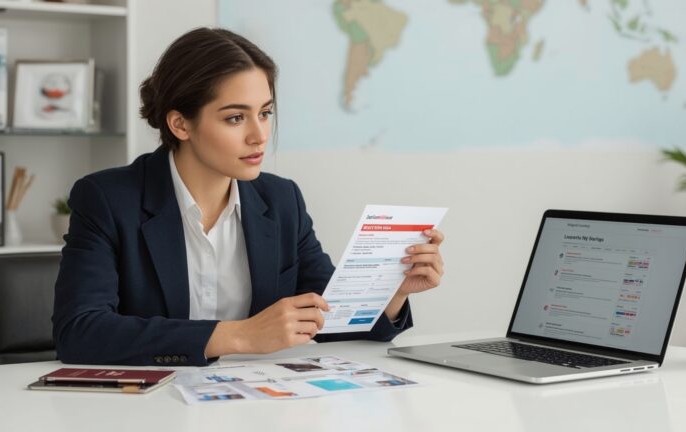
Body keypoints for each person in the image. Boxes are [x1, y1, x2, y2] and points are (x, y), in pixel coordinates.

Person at [52, 28, 445, 366]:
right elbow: (80, 331)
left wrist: (391, 293)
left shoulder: (281, 199)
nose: (259, 135)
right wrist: (239, 336)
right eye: (235, 118)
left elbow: (329, 316)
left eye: (266, 113)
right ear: (180, 123)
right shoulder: (107, 198)